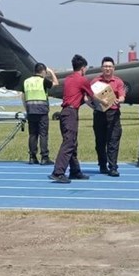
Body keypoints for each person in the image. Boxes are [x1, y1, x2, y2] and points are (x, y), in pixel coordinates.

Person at [49, 54, 103, 183]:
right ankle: (58, 172)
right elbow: (92, 96)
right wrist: (105, 102)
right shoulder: (82, 80)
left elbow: (79, 95)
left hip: (65, 113)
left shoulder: (68, 79)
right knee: (69, 143)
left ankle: (75, 171)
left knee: (72, 142)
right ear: (83, 68)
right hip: (71, 113)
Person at [91, 56, 126, 177]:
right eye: (105, 66)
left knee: (113, 141)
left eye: (110, 66)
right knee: (100, 142)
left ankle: (113, 167)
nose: (107, 68)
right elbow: (91, 95)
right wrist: (99, 100)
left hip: (113, 113)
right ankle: (102, 164)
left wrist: (119, 100)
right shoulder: (96, 81)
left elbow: (122, 95)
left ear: (114, 68)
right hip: (100, 113)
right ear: (102, 68)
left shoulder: (118, 81)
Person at [20, 62, 58, 165]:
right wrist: (52, 73)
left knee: (32, 134)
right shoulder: (43, 81)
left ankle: (32, 157)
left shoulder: (26, 81)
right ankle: (44, 157)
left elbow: (23, 96)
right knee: (43, 134)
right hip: (42, 111)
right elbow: (55, 83)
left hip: (31, 110)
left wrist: (26, 108)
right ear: (43, 71)